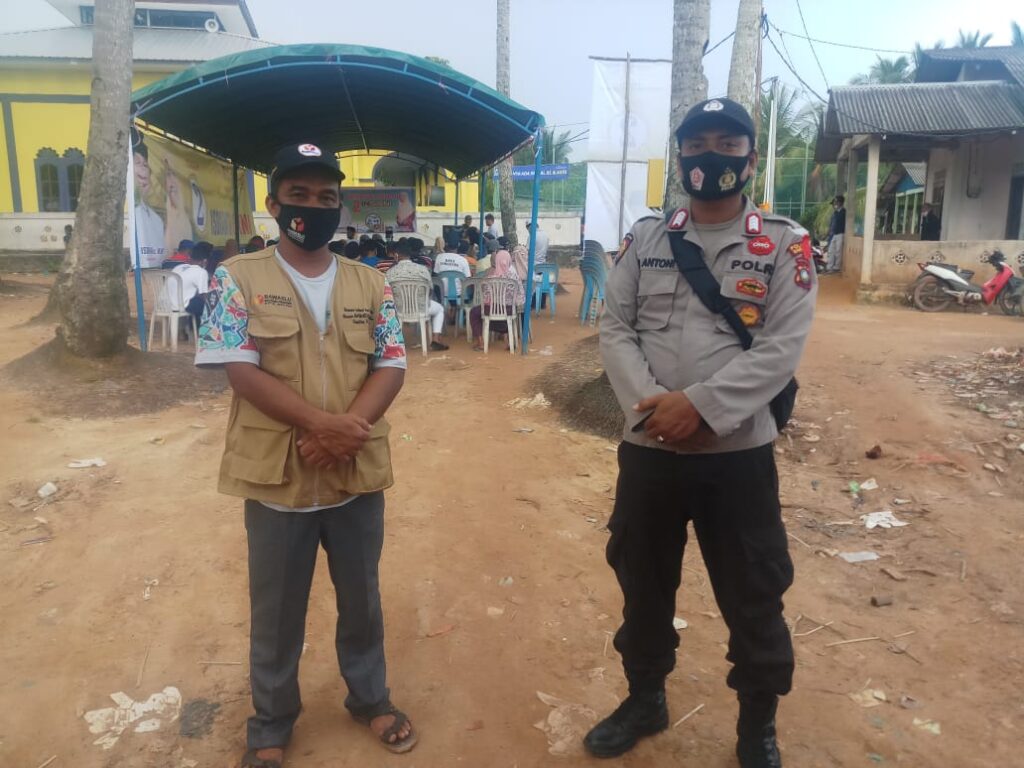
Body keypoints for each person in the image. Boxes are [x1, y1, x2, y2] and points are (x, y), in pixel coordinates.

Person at [590, 97, 816, 768]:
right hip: (649, 451)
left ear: (749, 157)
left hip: (737, 458)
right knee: (643, 584)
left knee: (754, 592)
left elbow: (781, 348)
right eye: (697, 144)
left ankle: (756, 728)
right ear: (681, 155)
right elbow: (616, 328)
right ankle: (645, 700)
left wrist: (701, 406)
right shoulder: (647, 238)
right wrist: (650, 410)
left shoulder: (783, 243)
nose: (710, 155)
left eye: (727, 143)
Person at [195, 142, 416, 767]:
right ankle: (270, 724)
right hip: (279, 475)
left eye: (326, 197)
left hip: (353, 473)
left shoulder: (370, 282)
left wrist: (349, 431)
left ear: (338, 208)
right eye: (299, 195)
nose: (313, 207)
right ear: (273, 204)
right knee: (276, 609)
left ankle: (370, 699)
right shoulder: (237, 278)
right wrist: (321, 426)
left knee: (361, 599)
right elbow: (239, 368)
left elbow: (391, 364)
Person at [387, 240, 449, 351]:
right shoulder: (423, 269)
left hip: (399, 310)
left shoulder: (390, 273)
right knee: (440, 309)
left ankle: (392, 343)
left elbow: (387, 293)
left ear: (396, 255)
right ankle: (435, 339)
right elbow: (430, 290)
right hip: (422, 308)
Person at [469, 249, 525, 351]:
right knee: (500, 317)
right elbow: (521, 297)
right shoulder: (515, 277)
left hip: (491, 310)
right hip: (510, 311)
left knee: (475, 312)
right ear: (509, 261)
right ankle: (507, 338)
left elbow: (485, 297)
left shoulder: (490, 277)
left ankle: (480, 342)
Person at [131, 130, 167, 268]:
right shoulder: (120, 217)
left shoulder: (156, 220)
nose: (143, 172)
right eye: (137, 163)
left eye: (145, 165)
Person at [166, 240, 210, 328]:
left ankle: (190, 329)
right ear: (204, 261)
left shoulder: (178, 267)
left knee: (195, 301)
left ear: (190, 257)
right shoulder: (202, 272)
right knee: (206, 305)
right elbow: (204, 296)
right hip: (180, 305)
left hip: (165, 304)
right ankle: (200, 331)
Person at [824, 195, 846, 273]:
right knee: (831, 250)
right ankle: (829, 267)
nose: (835, 204)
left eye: (836, 202)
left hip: (841, 233)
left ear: (840, 202)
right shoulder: (836, 212)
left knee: (838, 251)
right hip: (834, 234)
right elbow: (832, 225)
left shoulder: (844, 212)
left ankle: (836, 267)